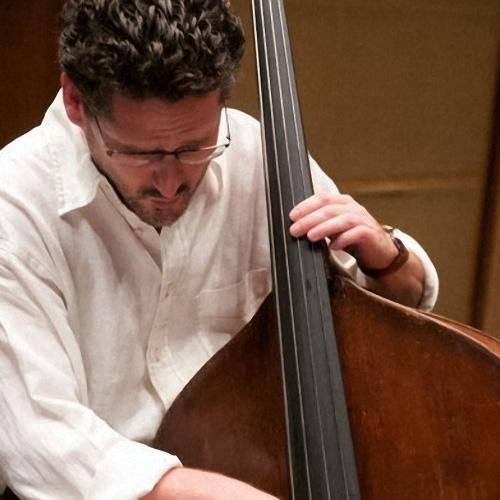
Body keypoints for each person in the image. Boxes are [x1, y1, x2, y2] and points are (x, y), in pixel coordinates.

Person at [0, 0, 438, 498]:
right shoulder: (13, 210)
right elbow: (42, 442)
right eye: (140, 153)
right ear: (76, 103)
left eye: (194, 148)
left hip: (258, 472)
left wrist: (388, 259)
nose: (169, 183)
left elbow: (387, 318)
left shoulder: (255, 153)